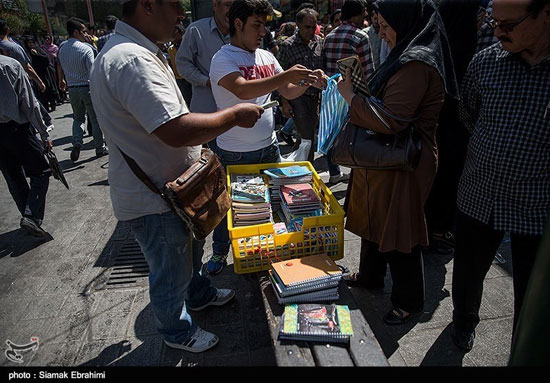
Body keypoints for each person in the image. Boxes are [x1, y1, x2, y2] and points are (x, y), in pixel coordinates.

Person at [89, 0, 265, 353]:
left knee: (188, 255)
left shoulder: (139, 51)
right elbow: (176, 129)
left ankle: (198, 295)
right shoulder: (131, 59)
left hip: (174, 191)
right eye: (174, 5)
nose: (182, 14)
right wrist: (232, 116)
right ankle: (176, 331)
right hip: (155, 197)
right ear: (148, 6)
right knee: (169, 271)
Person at [338, 0, 457, 326]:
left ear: (405, 23)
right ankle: (371, 276)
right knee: (374, 218)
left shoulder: (417, 62)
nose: (383, 33)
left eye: (386, 26)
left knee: (400, 228)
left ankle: (409, 302)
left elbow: (391, 119)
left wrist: (350, 96)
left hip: (405, 161)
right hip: (384, 157)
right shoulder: (404, 54)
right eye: (379, 26)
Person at [451, 0, 550, 352]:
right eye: (494, 22)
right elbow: (468, 114)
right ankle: (463, 322)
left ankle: (522, 348)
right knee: (467, 273)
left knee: (532, 291)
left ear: (545, 14)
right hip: (479, 193)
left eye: (508, 24)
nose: (496, 31)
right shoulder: (486, 62)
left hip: (536, 206)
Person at [207, 0, 324, 274]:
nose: (262, 32)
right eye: (256, 25)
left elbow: (288, 91)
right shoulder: (223, 58)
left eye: (264, 25)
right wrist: (285, 76)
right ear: (238, 24)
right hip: (234, 154)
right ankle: (219, 253)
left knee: (269, 207)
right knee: (230, 212)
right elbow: (242, 90)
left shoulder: (266, 57)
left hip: (269, 149)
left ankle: (263, 251)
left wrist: (307, 81)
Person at [323, 0, 376, 184]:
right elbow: (368, 72)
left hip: (332, 94)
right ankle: (356, 178)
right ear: (357, 14)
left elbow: (324, 68)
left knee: (333, 133)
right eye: (364, 14)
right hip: (354, 96)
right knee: (355, 136)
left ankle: (334, 172)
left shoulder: (329, 36)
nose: (365, 18)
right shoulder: (361, 36)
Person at [0, 55, 52, 237]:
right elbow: (29, 103)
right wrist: (44, 133)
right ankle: (31, 216)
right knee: (41, 172)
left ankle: (30, 217)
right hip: (17, 129)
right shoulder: (9, 64)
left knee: (14, 178)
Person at [175, 0, 233, 151]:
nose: (231, 11)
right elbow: (182, 64)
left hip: (238, 119)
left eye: (235, 6)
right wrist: (206, 82)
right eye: (228, 5)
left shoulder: (243, 31)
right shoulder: (196, 30)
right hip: (207, 115)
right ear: (215, 5)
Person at [277, 7, 326, 163]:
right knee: (308, 138)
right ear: (298, 25)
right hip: (297, 98)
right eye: (307, 27)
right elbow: (280, 77)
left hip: (315, 97)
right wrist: (284, 103)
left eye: (314, 26)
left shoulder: (319, 42)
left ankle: (292, 166)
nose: (311, 30)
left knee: (305, 137)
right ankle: (306, 173)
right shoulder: (287, 46)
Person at [57, 18, 107, 162]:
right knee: (95, 119)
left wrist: (62, 79)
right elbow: (93, 71)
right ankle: (100, 148)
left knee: (78, 118)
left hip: (72, 89)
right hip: (87, 87)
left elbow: (59, 65)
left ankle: (77, 142)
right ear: (76, 32)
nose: (86, 34)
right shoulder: (86, 48)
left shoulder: (62, 47)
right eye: (83, 31)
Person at [24, 36, 60, 113]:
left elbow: (46, 59)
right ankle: (45, 106)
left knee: (49, 88)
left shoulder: (38, 49)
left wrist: (37, 54)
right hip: (36, 74)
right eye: (29, 43)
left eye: (32, 43)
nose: (31, 44)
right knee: (41, 92)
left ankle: (53, 104)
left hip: (45, 73)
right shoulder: (26, 52)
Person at [167, 23, 192, 106]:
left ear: (181, 32)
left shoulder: (188, 45)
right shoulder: (171, 49)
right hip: (179, 78)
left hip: (189, 77)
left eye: (175, 32)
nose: (173, 36)